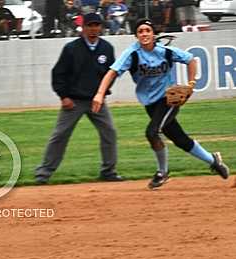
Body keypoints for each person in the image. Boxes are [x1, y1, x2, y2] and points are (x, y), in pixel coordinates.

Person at [92, 18, 229, 189]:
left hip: (168, 99)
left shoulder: (164, 51)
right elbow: (111, 73)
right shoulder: (132, 54)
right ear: (136, 36)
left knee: (152, 132)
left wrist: (191, 84)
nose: (144, 34)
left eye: (147, 30)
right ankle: (213, 160)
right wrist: (99, 93)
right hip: (150, 103)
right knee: (179, 139)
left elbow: (191, 60)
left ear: (153, 34)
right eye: (140, 31)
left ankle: (162, 172)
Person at [35, 13, 123, 184]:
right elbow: (58, 74)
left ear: (101, 27)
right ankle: (43, 173)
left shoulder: (106, 48)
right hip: (74, 101)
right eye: (90, 25)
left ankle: (108, 171)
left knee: (109, 132)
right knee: (60, 135)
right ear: (83, 28)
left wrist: (102, 93)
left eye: (97, 25)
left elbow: (111, 74)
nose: (93, 29)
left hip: (96, 101)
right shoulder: (71, 48)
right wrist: (64, 96)